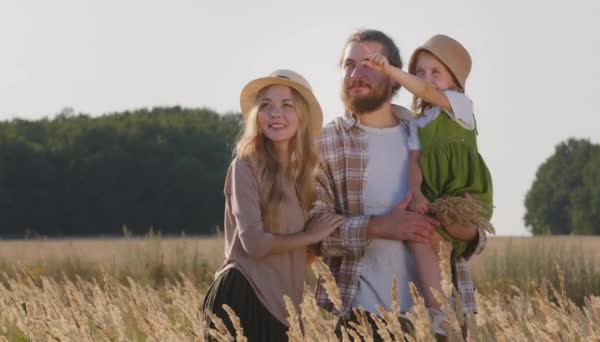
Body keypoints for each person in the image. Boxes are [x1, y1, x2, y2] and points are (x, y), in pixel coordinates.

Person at [309, 29, 487, 340]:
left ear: (396, 78)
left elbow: (477, 232)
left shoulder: (431, 134)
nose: (356, 73)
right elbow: (312, 233)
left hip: (437, 324)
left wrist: (466, 230)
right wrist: (378, 227)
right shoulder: (325, 145)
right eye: (349, 65)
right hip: (363, 320)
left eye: (369, 64)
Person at [362, 34, 494, 333]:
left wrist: (392, 71)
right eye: (420, 71)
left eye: (437, 72)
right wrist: (416, 192)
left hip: (461, 191)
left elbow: (423, 90)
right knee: (423, 237)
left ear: (455, 82)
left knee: (453, 229)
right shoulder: (417, 122)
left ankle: (448, 306)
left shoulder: (459, 106)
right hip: (433, 194)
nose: (426, 80)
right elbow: (414, 162)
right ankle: (439, 312)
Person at [202, 69, 344, 341]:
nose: (275, 113)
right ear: (257, 115)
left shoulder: (304, 175)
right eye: (266, 105)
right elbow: (254, 244)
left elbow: (302, 250)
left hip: (284, 309)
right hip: (244, 298)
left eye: (286, 105)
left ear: (302, 116)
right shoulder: (246, 165)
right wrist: (311, 235)